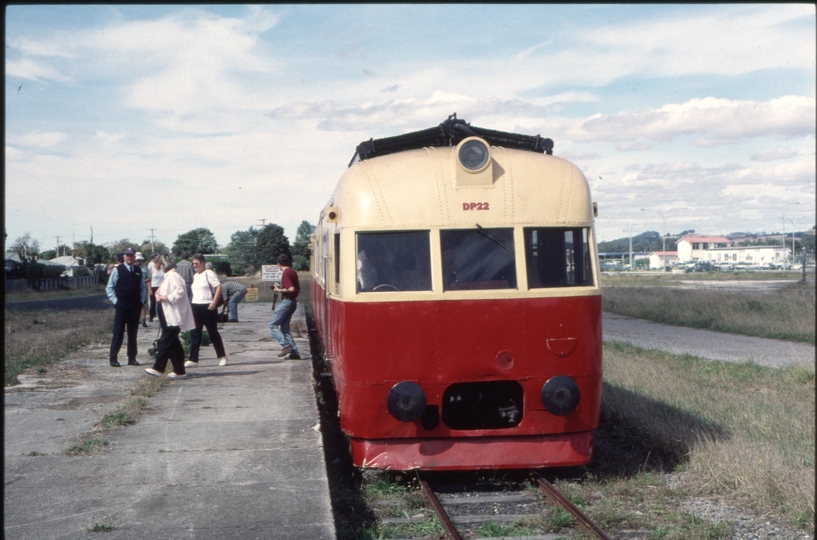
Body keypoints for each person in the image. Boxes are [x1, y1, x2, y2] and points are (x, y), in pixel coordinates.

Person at [145, 257, 194, 379]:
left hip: (172, 313)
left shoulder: (173, 276)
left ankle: (159, 367)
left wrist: (167, 297)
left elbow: (180, 292)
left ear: (163, 264)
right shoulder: (168, 276)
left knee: (166, 340)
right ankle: (179, 370)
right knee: (173, 342)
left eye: (158, 264)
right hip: (167, 312)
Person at [105, 248, 147, 367]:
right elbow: (109, 287)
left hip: (135, 305)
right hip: (122, 304)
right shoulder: (117, 270)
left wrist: (141, 300)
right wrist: (116, 302)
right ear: (123, 257)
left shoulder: (138, 270)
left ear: (134, 257)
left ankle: (132, 358)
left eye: (131, 256)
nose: (129, 258)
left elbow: (142, 287)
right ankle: (113, 358)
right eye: (127, 256)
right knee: (119, 332)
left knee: (133, 332)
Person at [185, 254, 228, 367]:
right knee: (195, 333)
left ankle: (222, 356)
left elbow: (219, 287)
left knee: (212, 332)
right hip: (195, 305)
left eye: (197, 263)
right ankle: (193, 359)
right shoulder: (195, 276)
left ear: (203, 263)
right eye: (193, 263)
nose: (195, 265)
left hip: (208, 306)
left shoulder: (209, 273)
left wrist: (214, 302)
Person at [269, 254, 301, 360]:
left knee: (272, 325)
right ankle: (295, 353)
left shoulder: (286, 272)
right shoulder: (293, 272)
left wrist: (279, 290)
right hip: (292, 302)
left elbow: (291, 289)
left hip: (287, 302)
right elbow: (297, 289)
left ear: (279, 264)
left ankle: (286, 346)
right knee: (285, 329)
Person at [147, 253, 165, 322]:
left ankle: (161, 315)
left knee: (160, 302)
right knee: (153, 302)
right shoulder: (151, 268)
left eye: (160, 263)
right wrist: (149, 288)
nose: (159, 264)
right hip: (153, 286)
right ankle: (151, 316)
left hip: (160, 287)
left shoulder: (162, 269)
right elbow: (149, 279)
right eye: (158, 263)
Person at [135, 252, 150, 328]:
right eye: (137, 259)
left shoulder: (145, 268)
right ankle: (135, 320)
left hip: (142, 288)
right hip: (134, 288)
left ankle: (143, 320)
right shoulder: (133, 267)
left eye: (140, 260)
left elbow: (149, 278)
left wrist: (143, 281)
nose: (138, 261)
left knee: (142, 304)